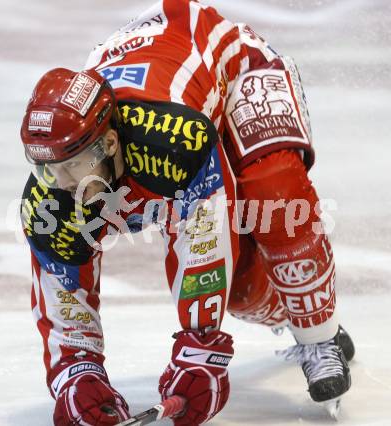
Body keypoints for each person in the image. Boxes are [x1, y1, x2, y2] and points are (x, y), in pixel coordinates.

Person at [20, 0, 354, 424]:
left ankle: (320, 338)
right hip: (172, 88)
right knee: (242, 289)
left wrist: (201, 349)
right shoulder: (52, 195)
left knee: (274, 194)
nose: (63, 182)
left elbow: (203, 241)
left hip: (237, 71)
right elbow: (63, 295)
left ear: (108, 145)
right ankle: (289, 312)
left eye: (72, 164)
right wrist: (77, 376)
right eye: (47, 168)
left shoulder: (174, 145)